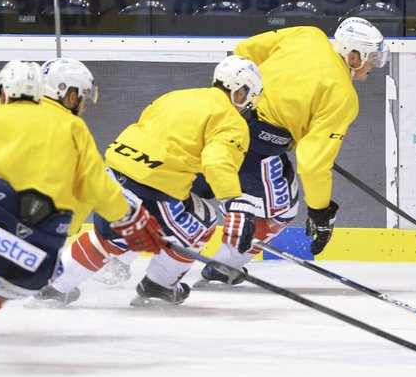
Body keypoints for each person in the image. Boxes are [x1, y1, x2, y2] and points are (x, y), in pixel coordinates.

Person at [0, 59, 164, 352]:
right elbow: (95, 188)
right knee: (2, 287)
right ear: (68, 94)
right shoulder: (74, 128)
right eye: (81, 98)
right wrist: (129, 218)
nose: (82, 105)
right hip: (43, 239)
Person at [34, 55, 262, 306]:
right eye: (249, 95)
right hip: (152, 188)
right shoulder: (232, 120)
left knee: (107, 236)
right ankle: (159, 285)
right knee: (204, 221)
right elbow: (217, 162)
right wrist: (234, 204)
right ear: (240, 92)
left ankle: (54, 287)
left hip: (114, 173)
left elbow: (156, 131)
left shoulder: (178, 95)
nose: (249, 103)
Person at [195, 17, 387, 286]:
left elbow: (245, 51)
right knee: (279, 211)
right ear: (354, 56)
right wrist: (321, 212)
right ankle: (222, 269)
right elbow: (313, 165)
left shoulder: (308, 35)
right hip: (253, 145)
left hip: (214, 119)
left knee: (183, 187)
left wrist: (262, 93)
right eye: (373, 58)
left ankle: (124, 254)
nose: (375, 66)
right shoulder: (343, 95)